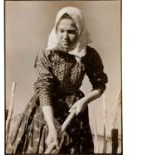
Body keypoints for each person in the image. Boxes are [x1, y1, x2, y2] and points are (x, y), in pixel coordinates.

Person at [10, 7, 108, 154]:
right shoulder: (46, 54)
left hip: (74, 110)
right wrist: (51, 127)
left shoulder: (89, 55)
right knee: (44, 145)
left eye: (71, 31)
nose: (65, 36)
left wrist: (84, 101)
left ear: (80, 31)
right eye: (61, 30)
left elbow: (100, 85)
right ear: (56, 29)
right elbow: (44, 89)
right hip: (46, 109)